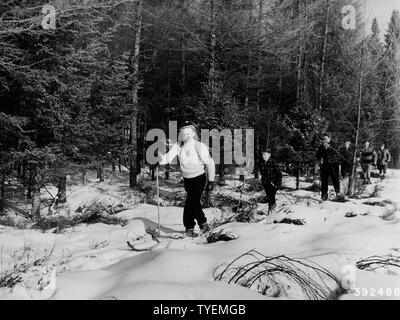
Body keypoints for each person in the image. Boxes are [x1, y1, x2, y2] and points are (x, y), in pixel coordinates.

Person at [158, 124, 216, 237]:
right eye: (184, 134)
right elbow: (167, 158)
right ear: (181, 135)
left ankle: (189, 228)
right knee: (194, 203)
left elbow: (210, 163)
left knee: (190, 203)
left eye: (189, 134)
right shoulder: (178, 146)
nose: (187, 136)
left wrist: (211, 181)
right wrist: (159, 158)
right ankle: (203, 224)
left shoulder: (199, 146)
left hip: (199, 178)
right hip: (187, 180)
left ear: (193, 134)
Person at [316, 134, 341, 201]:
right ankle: (324, 194)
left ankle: (338, 193)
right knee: (324, 180)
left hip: (333, 164)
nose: (324, 140)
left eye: (326, 139)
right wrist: (319, 159)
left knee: (335, 179)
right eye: (323, 139)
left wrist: (329, 148)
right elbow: (317, 155)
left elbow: (337, 154)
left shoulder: (334, 144)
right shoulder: (322, 146)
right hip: (325, 165)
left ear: (329, 138)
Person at [258, 148, 282, 214]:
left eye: (265, 154)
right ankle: (271, 208)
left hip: (273, 183)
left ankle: (271, 210)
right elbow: (258, 169)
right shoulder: (261, 162)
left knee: (271, 196)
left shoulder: (273, 162)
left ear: (269, 155)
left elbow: (279, 173)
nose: (263, 156)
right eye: (262, 154)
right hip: (265, 182)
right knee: (269, 196)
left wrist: (278, 184)